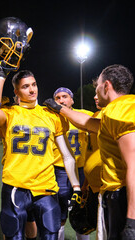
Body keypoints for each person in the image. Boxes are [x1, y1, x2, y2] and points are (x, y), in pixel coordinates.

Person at [44, 64, 135, 240]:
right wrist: (61, 109)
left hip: (124, 195)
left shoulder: (123, 109)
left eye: (98, 86)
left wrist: (132, 222)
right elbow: (89, 123)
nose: (95, 91)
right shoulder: (114, 111)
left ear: (106, 85)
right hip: (116, 193)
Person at [0, 66, 81, 240]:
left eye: (34, 84)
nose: (31, 89)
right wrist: (1, 75)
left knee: (50, 234)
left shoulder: (50, 115)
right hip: (16, 185)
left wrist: (76, 186)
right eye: (25, 86)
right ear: (16, 91)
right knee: (13, 235)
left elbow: (66, 154)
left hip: (46, 186)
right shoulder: (10, 113)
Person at [52, 87, 93, 240]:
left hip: (81, 170)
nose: (61, 100)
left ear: (72, 100)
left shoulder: (84, 115)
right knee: (59, 212)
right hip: (58, 170)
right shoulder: (50, 117)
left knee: (82, 211)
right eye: (57, 98)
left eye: (64, 96)